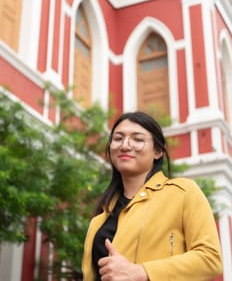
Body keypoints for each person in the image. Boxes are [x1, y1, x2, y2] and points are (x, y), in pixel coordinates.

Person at [82, 111, 223, 280]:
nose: (125, 145)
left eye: (137, 139)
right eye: (118, 138)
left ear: (158, 152)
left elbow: (210, 258)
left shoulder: (183, 192)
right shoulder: (99, 219)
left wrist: (142, 272)